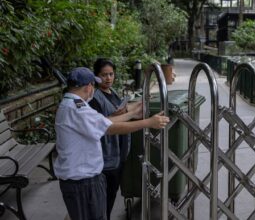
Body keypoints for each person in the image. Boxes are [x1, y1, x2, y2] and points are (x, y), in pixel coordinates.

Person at [54, 67, 169, 220]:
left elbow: (102, 122)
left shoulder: (70, 104)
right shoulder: (77, 109)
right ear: (89, 87)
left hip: (79, 180)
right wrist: (148, 122)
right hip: (83, 182)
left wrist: (132, 114)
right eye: (93, 86)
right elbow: (111, 128)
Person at [88, 58, 131, 219]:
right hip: (107, 155)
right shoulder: (95, 98)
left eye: (111, 74)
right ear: (96, 76)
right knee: (105, 196)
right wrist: (116, 115)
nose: (108, 78)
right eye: (104, 75)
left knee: (112, 193)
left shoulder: (112, 92)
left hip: (119, 152)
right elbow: (98, 124)